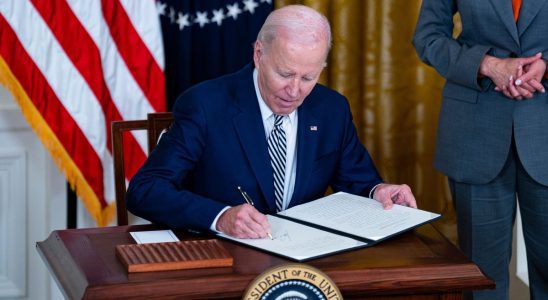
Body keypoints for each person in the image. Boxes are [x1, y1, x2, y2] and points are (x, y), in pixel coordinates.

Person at [127, 5, 416, 240]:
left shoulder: (331, 108)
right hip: (223, 258)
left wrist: (378, 191)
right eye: (284, 74)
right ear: (258, 54)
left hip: (307, 258)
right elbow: (146, 190)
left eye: (308, 78)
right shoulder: (205, 105)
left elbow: (356, 179)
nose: (294, 91)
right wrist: (220, 217)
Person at [413, 1, 548, 299]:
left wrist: (545, 65)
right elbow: (427, 36)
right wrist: (487, 65)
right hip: (475, 134)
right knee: (481, 278)